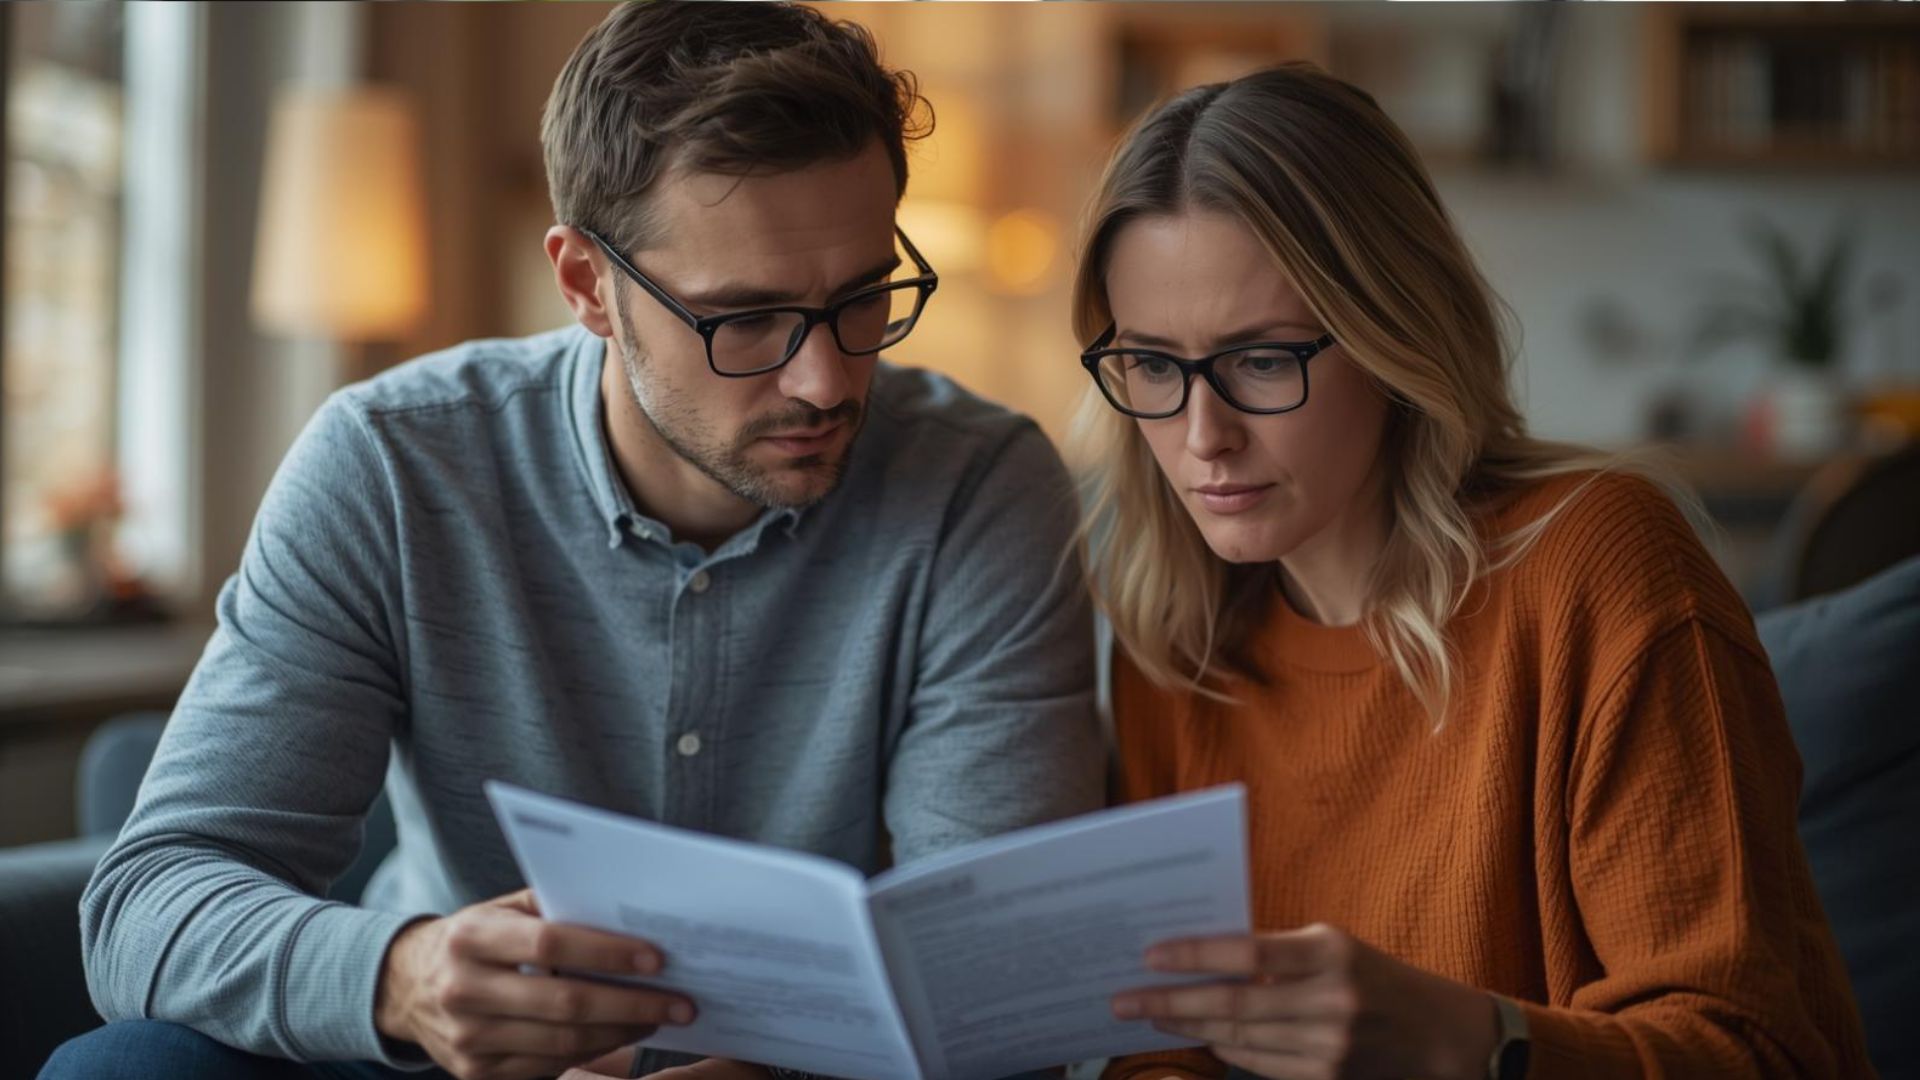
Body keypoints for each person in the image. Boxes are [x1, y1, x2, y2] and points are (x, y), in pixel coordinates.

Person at [42, 5, 1101, 1080]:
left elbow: (998, 968)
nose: (825, 380)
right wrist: (405, 977)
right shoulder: (396, 465)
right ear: (588, 285)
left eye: (864, 298)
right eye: (745, 319)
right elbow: (146, 905)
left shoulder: (978, 488)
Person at [1071, 64, 1873, 1079]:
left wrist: (1472, 1041)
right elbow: (1165, 1049)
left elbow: (1768, 1054)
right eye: (1150, 363)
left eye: (1263, 360)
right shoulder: (1173, 637)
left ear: (1391, 334)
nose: (1202, 437)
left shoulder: (1604, 570)